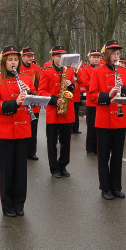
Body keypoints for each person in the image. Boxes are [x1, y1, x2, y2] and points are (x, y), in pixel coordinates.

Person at [0, 46, 34, 217]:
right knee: (7, 170)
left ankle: (19, 203)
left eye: (16, 59)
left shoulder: (26, 78)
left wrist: (29, 93)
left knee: (21, 170)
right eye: (10, 60)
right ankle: (7, 205)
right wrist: (14, 103)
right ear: (4, 62)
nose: (13, 62)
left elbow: (34, 101)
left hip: (23, 128)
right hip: (5, 131)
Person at [88, 40, 126, 200]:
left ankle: (116, 187)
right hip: (104, 119)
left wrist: (122, 88)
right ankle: (105, 188)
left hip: (120, 119)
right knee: (104, 156)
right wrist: (108, 94)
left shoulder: (124, 72)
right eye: (113, 53)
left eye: (118, 53)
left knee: (118, 155)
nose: (116, 56)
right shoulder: (97, 72)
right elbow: (92, 96)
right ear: (107, 55)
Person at [38, 45, 76, 178]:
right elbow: (41, 91)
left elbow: (74, 89)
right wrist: (54, 100)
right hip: (53, 111)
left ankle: (63, 165)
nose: (60, 59)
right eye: (58, 56)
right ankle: (54, 168)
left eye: (62, 56)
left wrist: (71, 85)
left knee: (66, 142)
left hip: (67, 110)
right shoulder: (46, 71)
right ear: (53, 57)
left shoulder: (69, 71)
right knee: (52, 142)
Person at [18, 47, 41, 159]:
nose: (31, 58)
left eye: (32, 56)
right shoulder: (18, 68)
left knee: (34, 129)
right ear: (22, 57)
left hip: (33, 99)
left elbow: (40, 84)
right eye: (28, 56)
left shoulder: (37, 68)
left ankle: (32, 152)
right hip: (22, 102)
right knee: (23, 128)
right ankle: (22, 151)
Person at [79, 49, 102, 155]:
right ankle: (90, 148)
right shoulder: (86, 70)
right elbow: (87, 84)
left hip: (101, 101)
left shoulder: (102, 69)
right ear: (90, 58)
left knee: (100, 127)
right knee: (91, 126)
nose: (96, 59)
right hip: (91, 102)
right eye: (94, 57)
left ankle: (98, 147)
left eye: (98, 57)